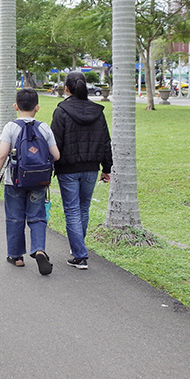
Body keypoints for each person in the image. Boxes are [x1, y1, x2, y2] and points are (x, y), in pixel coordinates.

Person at [0, 87, 59, 274]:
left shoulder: (11, 127)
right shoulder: (44, 127)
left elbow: (2, 155)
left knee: (14, 218)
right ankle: (39, 250)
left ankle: (16, 256)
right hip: (38, 182)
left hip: (15, 182)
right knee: (37, 218)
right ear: (37, 107)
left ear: (15, 106)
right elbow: (56, 155)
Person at [50, 71, 112, 270]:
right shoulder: (98, 112)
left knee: (72, 210)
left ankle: (79, 255)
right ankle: (78, 247)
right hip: (91, 168)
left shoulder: (61, 111)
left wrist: (49, 167)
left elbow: (54, 143)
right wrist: (106, 168)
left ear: (67, 88)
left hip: (67, 169)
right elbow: (105, 142)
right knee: (83, 209)